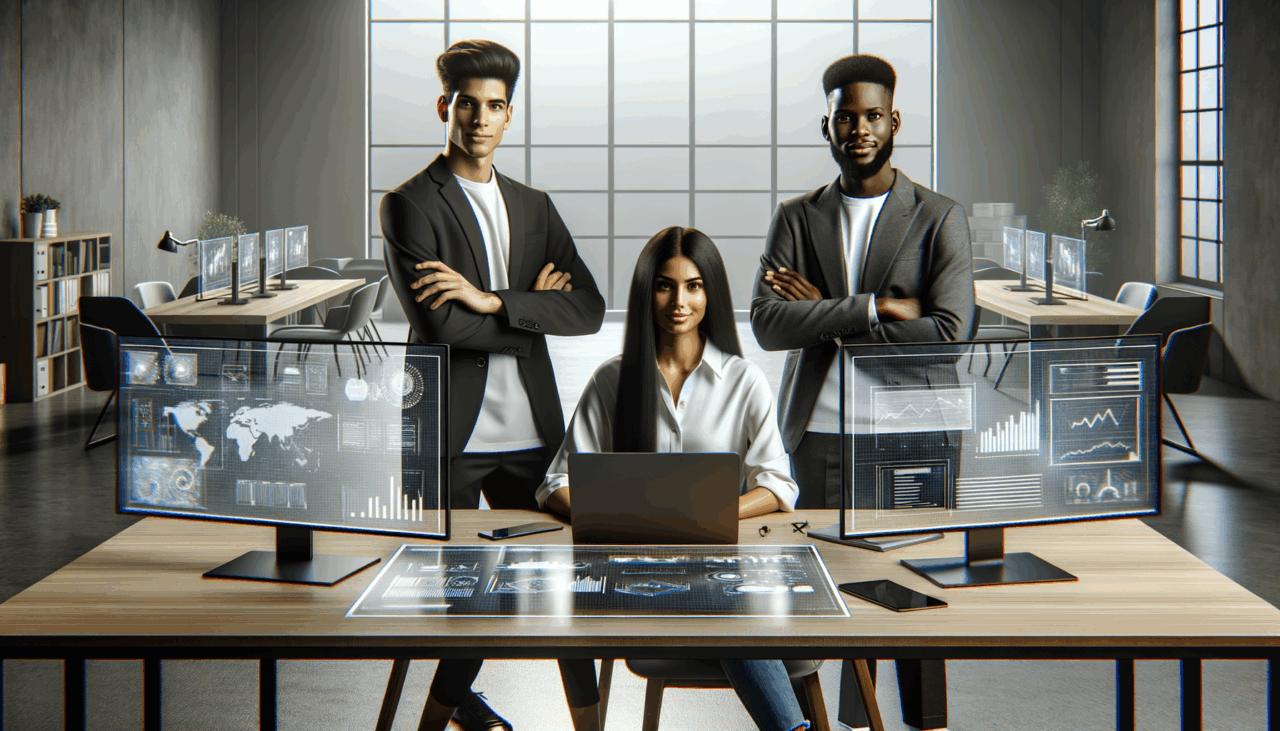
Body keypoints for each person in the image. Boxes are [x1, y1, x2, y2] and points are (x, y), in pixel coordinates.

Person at [380, 39, 606, 731]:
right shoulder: (409, 205)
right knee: (465, 597)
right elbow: (440, 326)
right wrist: (530, 312)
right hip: (450, 434)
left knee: (565, 584)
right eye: (467, 105)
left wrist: (490, 301)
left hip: (533, 435)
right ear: (444, 108)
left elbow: (589, 310)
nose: (480, 119)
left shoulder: (535, 207)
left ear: (511, 114)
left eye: (495, 106)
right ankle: (442, 716)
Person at [749, 54, 976, 730]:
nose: (859, 129)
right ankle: (827, 724)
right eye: (845, 118)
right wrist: (872, 308)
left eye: (872, 115)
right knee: (810, 592)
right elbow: (768, 324)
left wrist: (823, 311)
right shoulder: (797, 217)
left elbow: (949, 333)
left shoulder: (938, 216)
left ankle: (925, 724)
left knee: (911, 595)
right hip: (816, 436)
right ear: (827, 126)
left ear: (894, 121)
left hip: (910, 432)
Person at [537, 226, 810, 731]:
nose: (679, 302)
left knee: (724, 597)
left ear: (711, 294)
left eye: (694, 286)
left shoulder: (743, 380)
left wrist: (707, 517)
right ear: (647, 292)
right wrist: (625, 520)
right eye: (665, 286)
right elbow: (555, 484)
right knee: (727, 605)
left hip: (720, 570)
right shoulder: (612, 379)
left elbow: (778, 485)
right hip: (636, 575)